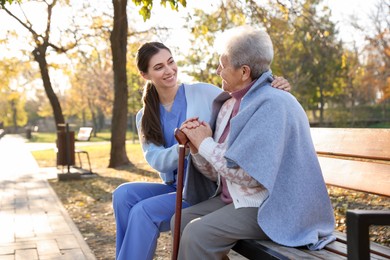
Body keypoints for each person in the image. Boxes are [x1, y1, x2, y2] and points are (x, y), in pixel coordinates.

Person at [112, 41, 291, 260]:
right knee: (123, 194)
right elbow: (156, 160)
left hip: (203, 186)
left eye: (170, 62)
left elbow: (242, 92)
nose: (169, 70)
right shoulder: (145, 116)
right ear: (145, 75)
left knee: (143, 212)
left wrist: (272, 81)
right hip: (176, 187)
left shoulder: (203, 92)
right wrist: (186, 146)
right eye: (158, 67)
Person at [172, 26, 336, 260]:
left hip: (272, 206)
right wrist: (198, 149)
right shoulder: (228, 106)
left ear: (244, 72)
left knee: (197, 233)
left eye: (223, 64)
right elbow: (217, 175)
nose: (218, 70)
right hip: (236, 200)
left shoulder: (273, 104)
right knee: (180, 220)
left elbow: (248, 176)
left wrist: (206, 143)